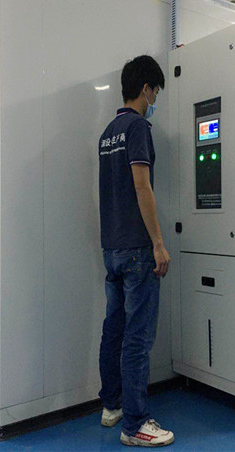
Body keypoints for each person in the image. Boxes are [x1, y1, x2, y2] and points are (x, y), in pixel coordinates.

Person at [98, 55, 174, 447]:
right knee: (138, 338)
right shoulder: (137, 128)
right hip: (137, 250)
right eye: (155, 91)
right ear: (145, 88)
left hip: (111, 247)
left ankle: (111, 406)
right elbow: (142, 186)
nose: (155, 99)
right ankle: (135, 425)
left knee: (114, 330)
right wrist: (158, 243)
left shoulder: (107, 133)